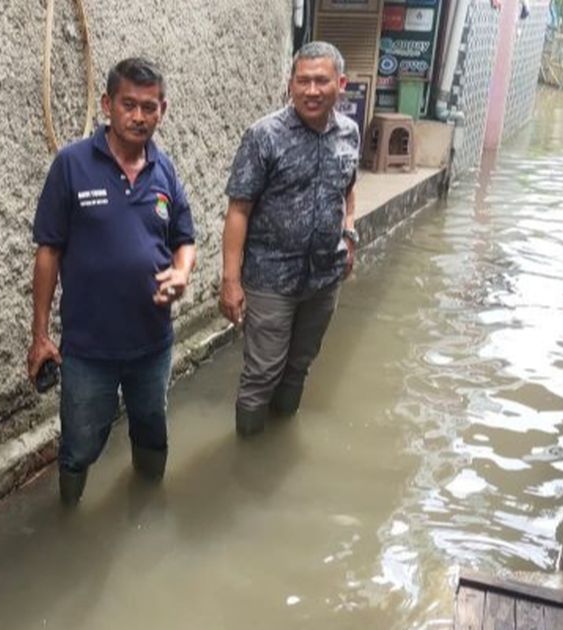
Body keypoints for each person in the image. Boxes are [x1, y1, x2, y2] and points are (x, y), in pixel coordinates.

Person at [28, 58, 197, 506]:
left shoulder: (165, 170)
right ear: (107, 105)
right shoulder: (71, 164)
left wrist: (181, 272)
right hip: (87, 349)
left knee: (152, 431)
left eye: (149, 107)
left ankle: (147, 506)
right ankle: (70, 522)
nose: (139, 117)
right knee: (79, 445)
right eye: (129, 105)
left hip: (152, 344)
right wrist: (40, 335)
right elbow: (48, 252)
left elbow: (185, 239)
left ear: (163, 109)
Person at [219, 41, 360, 437]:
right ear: (290, 85)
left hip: (323, 278)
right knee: (263, 371)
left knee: (299, 365)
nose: (311, 91)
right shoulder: (264, 136)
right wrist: (231, 280)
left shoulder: (349, 133)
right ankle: (246, 453)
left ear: (341, 83)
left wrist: (349, 233)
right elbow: (238, 210)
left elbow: (347, 190)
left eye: (321, 81)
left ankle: (279, 441)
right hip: (270, 279)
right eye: (303, 81)